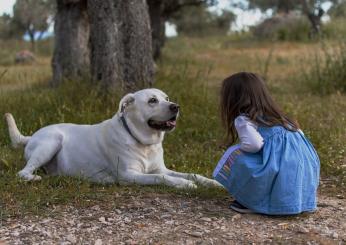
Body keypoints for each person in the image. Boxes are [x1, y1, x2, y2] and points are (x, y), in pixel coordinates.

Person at [213, 72, 320, 215]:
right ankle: (298, 200)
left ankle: (251, 201)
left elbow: (254, 144)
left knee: (235, 155)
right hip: (305, 167)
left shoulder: (244, 119)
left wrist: (240, 148)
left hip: (280, 168)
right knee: (280, 164)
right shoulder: (281, 118)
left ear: (233, 99)